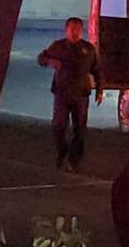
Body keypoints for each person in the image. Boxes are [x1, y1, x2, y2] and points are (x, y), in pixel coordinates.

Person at [38, 17, 104, 171]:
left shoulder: (88, 49)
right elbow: (41, 58)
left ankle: (74, 161)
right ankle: (62, 151)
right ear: (66, 30)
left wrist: (100, 90)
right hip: (62, 93)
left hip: (81, 94)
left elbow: (97, 70)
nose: (75, 32)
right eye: (72, 29)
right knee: (58, 126)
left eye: (78, 29)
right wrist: (49, 62)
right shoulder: (58, 46)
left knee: (79, 129)